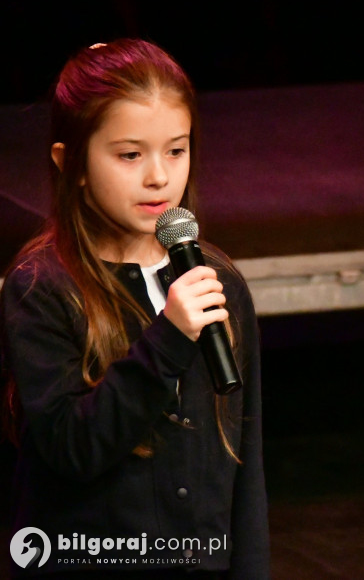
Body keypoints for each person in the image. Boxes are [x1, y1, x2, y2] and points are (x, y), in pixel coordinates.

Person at [1, 39, 269, 578]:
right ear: (70, 162)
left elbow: (245, 461)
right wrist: (167, 338)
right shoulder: (42, 287)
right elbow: (71, 447)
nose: (159, 176)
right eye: (130, 155)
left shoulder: (216, 280)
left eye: (176, 150)